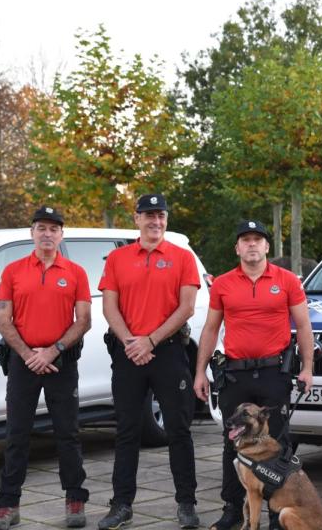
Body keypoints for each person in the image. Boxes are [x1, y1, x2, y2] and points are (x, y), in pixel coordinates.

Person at [194, 220, 315, 530]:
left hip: (275, 372)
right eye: (245, 240)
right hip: (235, 374)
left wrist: (307, 368)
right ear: (237, 247)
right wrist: (200, 372)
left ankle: (276, 514)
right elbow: (210, 328)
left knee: (279, 444)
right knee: (231, 442)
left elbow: (303, 326)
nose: (251, 244)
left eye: (257, 240)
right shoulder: (222, 283)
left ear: (266, 247)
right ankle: (232, 510)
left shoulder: (287, 280)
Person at [97, 194, 201, 530]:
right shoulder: (117, 258)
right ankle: (122, 505)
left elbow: (186, 307)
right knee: (126, 432)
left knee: (179, 430)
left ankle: (186, 504)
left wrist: (151, 340)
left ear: (166, 220)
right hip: (128, 354)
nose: (155, 221)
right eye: (149, 215)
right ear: (137, 218)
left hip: (168, 352)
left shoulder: (182, 257)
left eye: (161, 216)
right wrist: (130, 340)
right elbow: (109, 306)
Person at [0, 206, 91, 530]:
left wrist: (53, 351)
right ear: (31, 232)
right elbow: (3, 320)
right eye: (41, 228)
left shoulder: (76, 272)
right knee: (16, 435)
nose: (47, 234)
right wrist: (29, 354)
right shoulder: (13, 271)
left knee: (68, 434)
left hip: (62, 362)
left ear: (62, 234)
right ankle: (8, 506)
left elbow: (84, 320)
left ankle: (75, 501)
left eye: (53, 229)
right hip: (22, 363)